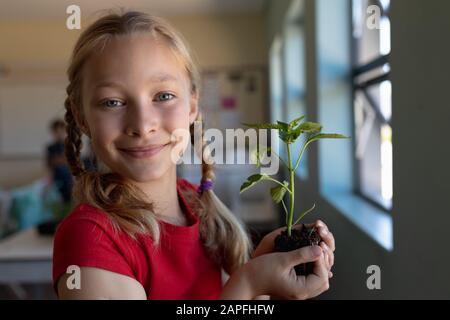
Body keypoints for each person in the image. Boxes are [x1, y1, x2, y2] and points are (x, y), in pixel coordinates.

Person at [52, 11, 335, 300]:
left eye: (163, 96)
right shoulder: (90, 241)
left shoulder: (193, 202)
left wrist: (262, 272)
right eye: (112, 102)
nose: (142, 125)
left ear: (192, 106)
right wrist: (249, 284)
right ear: (82, 118)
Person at [46, 119, 73, 204]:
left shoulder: (69, 146)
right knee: (57, 201)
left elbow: (71, 162)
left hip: (69, 179)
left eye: (61, 131)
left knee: (69, 199)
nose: (59, 134)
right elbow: (49, 163)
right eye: (56, 131)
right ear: (53, 133)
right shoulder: (50, 147)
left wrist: (58, 160)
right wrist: (61, 160)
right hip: (56, 179)